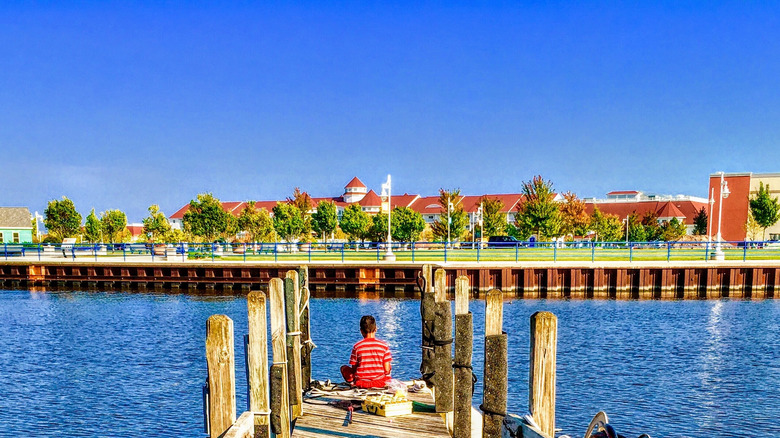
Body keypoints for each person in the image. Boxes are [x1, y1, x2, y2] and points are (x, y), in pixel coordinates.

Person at [340, 315, 392, 388]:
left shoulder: (357, 346)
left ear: (361, 331)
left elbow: (354, 369)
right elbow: (387, 370)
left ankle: (352, 383)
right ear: (376, 329)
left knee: (343, 368)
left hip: (361, 383)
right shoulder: (384, 346)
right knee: (388, 366)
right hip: (380, 383)